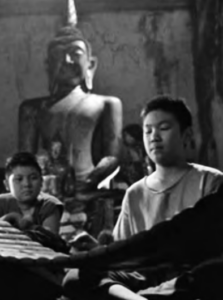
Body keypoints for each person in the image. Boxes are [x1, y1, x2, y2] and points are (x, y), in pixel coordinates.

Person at [63, 95, 223, 300]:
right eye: (148, 130)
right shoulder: (135, 193)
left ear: (186, 134)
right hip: (143, 277)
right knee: (77, 276)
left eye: (164, 128)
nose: (154, 136)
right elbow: (127, 251)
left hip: (187, 277)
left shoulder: (211, 182)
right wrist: (96, 251)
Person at [18, 25, 123, 195]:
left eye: (75, 53)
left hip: (88, 190)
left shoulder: (107, 104)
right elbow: (23, 160)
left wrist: (91, 180)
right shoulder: (32, 109)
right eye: (58, 55)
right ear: (48, 65)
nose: (67, 60)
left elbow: (113, 157)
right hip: (48, 190)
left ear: (90, 64)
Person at [0, 151, 63, 234]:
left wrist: (27, 225)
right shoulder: (2, 202)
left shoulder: (49, 205)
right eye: (19, 179)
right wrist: (10, 217)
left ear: (41, 182)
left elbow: (51, 240)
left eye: (33, 178)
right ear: (7, 184)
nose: (27, 184)